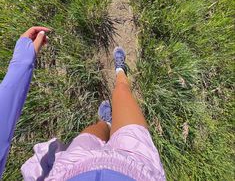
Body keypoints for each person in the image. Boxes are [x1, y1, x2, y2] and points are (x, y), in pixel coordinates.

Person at [0, 26, 166, 181]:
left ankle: (108, 120)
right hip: (135, 169)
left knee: (92, 132)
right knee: (122, 92)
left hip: (72, 169)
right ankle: (120, 75)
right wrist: (22, 62)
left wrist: (22, 63)